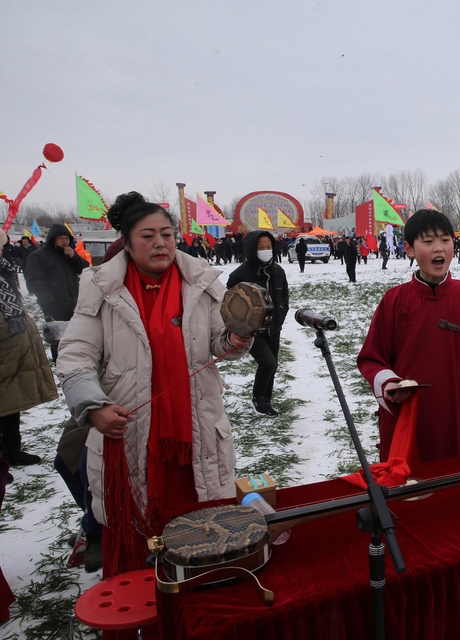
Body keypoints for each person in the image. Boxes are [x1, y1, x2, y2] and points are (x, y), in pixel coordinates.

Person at [56, 192, 253, 576]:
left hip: (195, 431)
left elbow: (218, 344)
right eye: (147, 236)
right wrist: (93, 406)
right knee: (139, 536)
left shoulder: (200, 281)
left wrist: (235, 339)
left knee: (201, 526)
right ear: (126, 243)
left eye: (167, 233)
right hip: (131, 435)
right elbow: (75, 355)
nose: (160, 243)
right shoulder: (102, 288)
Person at [357, 209, 460, 463]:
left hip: (455, 417)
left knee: (449, 486)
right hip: (405, 418)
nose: (439, 248)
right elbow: (372, 358)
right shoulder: (395, 301)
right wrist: (389, 384)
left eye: (445, 240)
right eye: (428, 241)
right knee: (405, 490)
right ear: (409, 249)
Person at [0, 229, 58, 467]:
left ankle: (11, 451)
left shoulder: (4, 269)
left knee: (10, 404)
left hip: (12, 349)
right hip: (6, 346)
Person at [227, 231, 290, 416]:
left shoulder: (278, 271)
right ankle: (257, 399)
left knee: (273, 364)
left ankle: (265, 400)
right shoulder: (240, 274)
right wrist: (242, 327)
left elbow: (284, 296)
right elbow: (230, 303)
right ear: (252, 249)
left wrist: (280, 316)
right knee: (267, 363)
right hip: (252, 330)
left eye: (268, 247)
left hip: (274, 327)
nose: (265, 251)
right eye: (261, 248)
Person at [24, 223, 89, 363]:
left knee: (75, 333)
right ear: (52, 239)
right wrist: (48, 301)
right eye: (61, 238)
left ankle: (75, 360)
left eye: (66, 238)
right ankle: (59, 362)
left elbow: (85, 269)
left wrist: (74, 257)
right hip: (53, 304)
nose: (64, 241)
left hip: (73, 301)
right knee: (57, 337)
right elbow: (34, 280)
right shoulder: (39, 256)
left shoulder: (68, 253)